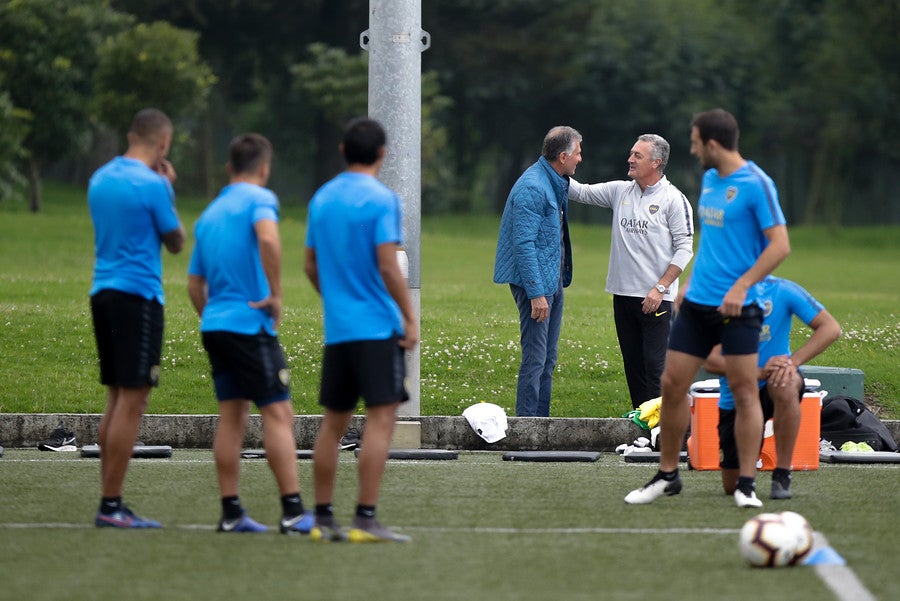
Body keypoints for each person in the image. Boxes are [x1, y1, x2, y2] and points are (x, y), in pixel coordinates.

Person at [625, 108, 791, 508]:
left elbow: (780, 246)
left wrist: (742, 286)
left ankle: (746, 486)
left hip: (739, 306)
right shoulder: (710, 179)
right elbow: (714, 244)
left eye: (696, 141)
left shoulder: (757, 184)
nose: (693, 148)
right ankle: (668, 475)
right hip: (698, 304)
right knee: (671, 384)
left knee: (744, 390)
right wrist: (689, 284)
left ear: (713, 144)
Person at [187, 133, 314, 534]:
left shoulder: (209, 214)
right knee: (278, 413)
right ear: (264, 167)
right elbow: (268, 238)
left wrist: (213, 317)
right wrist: (275, 294)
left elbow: (194, 283)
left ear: (229, 168)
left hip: (216, 325)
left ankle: (231, 513)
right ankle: (293, 512)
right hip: (249, 325)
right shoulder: (260, 199)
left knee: (232, 415)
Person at [304, 117, 419, 543]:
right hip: (375, 328)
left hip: (339, 330)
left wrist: (335, 299)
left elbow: (310, 265)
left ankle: (321, 517)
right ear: (383, 154)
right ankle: (365, 518)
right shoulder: (382, 199)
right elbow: (389, 264)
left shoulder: (322, 198)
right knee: (379, 421)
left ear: (341, 150)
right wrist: (409, 317)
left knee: (332, 425)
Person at [88, 108, 185, 528]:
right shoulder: (153, 184)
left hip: (102, 292)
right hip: (138, 297)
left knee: (116, 396)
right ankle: (111, 505)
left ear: (132, 135)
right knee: (134, 398)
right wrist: (168, 188)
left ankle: (110, 500)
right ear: (163, 142)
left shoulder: (100, 178)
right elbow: (177, 241)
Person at [568, 134, 694, 409]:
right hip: (622, 295)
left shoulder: (674, 199)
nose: (630, 159)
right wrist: (556, 161)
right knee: (633, 366)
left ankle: (664, 433)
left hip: (657, 299)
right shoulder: (620, 191)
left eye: (637, 155)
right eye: (631, 154)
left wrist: (660, 288)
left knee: (656, 368)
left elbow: (685, 248)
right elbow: (579, 191)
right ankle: (642, 429)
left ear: (656, 162)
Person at [704, 276, 841, 499]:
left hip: (774, 382)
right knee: (732, 486)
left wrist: (791, 362)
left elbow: (831, 328)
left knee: (786, 382)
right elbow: (710, 360)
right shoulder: (719, 293)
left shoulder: (783, 290)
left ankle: (782, 473)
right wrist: (757, 372)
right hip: (737, 394)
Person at [493, 126, 581, 417]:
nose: (580, 159)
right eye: (578, 152)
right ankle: (527, 426)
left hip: (550, 281)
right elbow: (523, 244)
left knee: (548, 357)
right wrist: (536, 294)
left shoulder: (554, 180)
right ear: (563, 155)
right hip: (537, 286)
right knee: (535, 357)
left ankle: (541, 427)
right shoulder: (533, 187)